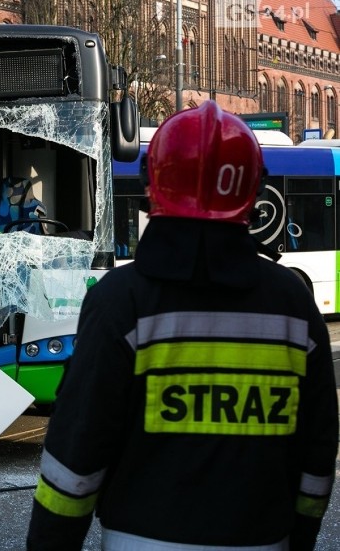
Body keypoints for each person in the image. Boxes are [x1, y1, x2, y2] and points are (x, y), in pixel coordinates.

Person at [26, 101, 338, 550]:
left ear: (152, 187)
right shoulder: (293, 306)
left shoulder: (119, 302)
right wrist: (298, 537)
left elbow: (76, 457)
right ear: (253, 192)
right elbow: (317, 454)